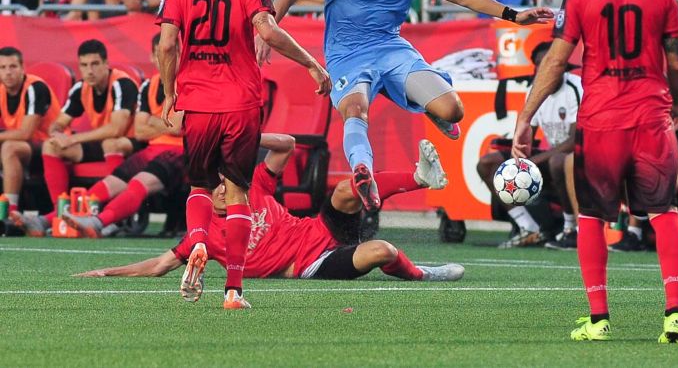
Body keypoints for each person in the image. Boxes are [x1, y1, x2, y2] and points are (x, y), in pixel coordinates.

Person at [269, 0, 553, 212]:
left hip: (392, 49)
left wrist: (513, 14)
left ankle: (420, 103)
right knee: (355, 108)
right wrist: (269, 28)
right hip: (347, 55)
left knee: (453, 111)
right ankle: (363, 171)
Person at [513, 0, 678, 344]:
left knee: (591, 216)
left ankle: (598, 318)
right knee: (664, 213)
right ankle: (673, 315)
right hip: (651, 117)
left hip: (601, 121)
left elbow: (556, 62)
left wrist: (524, 116)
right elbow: (676, 59)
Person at [156, 0, 332, 309]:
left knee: (201, 186)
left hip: (198, 102)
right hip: (241, 103)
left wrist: (170, 92)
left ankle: (198, 239)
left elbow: (167, 44)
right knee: (238, 194)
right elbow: (268, 31)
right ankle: (233, 290)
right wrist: (311, 63)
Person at [74, 136, 462, 284]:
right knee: (383, 251)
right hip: (313, 264)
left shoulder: (253, 185)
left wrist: (245, 133)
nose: (226, 189)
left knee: (346, 190)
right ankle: (422, 274)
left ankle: (421, 177)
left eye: (228, 181)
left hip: (319, 228)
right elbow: (160, 265)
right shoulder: (204, 233)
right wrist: (110, 270)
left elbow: (287, 145)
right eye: (219, 186)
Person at [11, 39, 140, 236]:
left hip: (132, 144)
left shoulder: (122, 84)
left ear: (106, 64)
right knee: (51, 146)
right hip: (101, 144)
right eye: (84, 65)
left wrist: (73, 139)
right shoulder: (81, 87)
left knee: (111, 142)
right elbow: (59, 122)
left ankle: (112, 217)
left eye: (95, 64)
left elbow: (117, 128)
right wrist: (58, 134)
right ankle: (60, 214)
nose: (89, 70)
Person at [61, 33, 185, 237]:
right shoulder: (149, 85)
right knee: (110, 183)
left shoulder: (190, 82)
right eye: (160, 54)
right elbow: (140, 130)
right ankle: (51, 219)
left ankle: (100, 222)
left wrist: (152, 121)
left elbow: (177, 129)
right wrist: (163, 124)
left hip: (183, 150)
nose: (166, 59)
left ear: (181, 54)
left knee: (140, 181)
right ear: (152, 58)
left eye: (172, 53)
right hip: (153, 147)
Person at [474, 41, 580, 247]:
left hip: (578, 157)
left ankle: (570, 229)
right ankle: (528, 227)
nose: (543, 68)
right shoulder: (535, 89)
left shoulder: (575, 87)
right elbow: (527, 132)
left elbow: (576, 140)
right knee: (488, 163)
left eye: (548, 62)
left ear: (562, 64)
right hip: (551, 157)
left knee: (558, 161)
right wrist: (520, 156)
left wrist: (536, 159)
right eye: (539, 64)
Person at [0, 46, 58, 217]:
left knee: (10, 147)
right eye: (2, 68)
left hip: (49, 145)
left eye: (13, 67)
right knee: (9, 145)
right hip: (25, 145)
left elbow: (26, 133)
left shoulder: (35, 87)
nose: (8, 72)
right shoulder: (1, 90)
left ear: (22, 68)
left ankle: (9, 213)